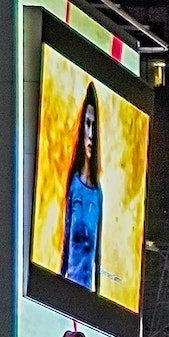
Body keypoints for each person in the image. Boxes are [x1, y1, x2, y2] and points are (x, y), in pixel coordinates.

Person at [61, 88, 103, 292]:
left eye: (94, 126)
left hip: (87, 291)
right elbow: (65, 236)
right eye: (87, 124)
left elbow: (99, 252)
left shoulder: (98, 192)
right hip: (69, 285)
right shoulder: (73, 185)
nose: (91, 134)